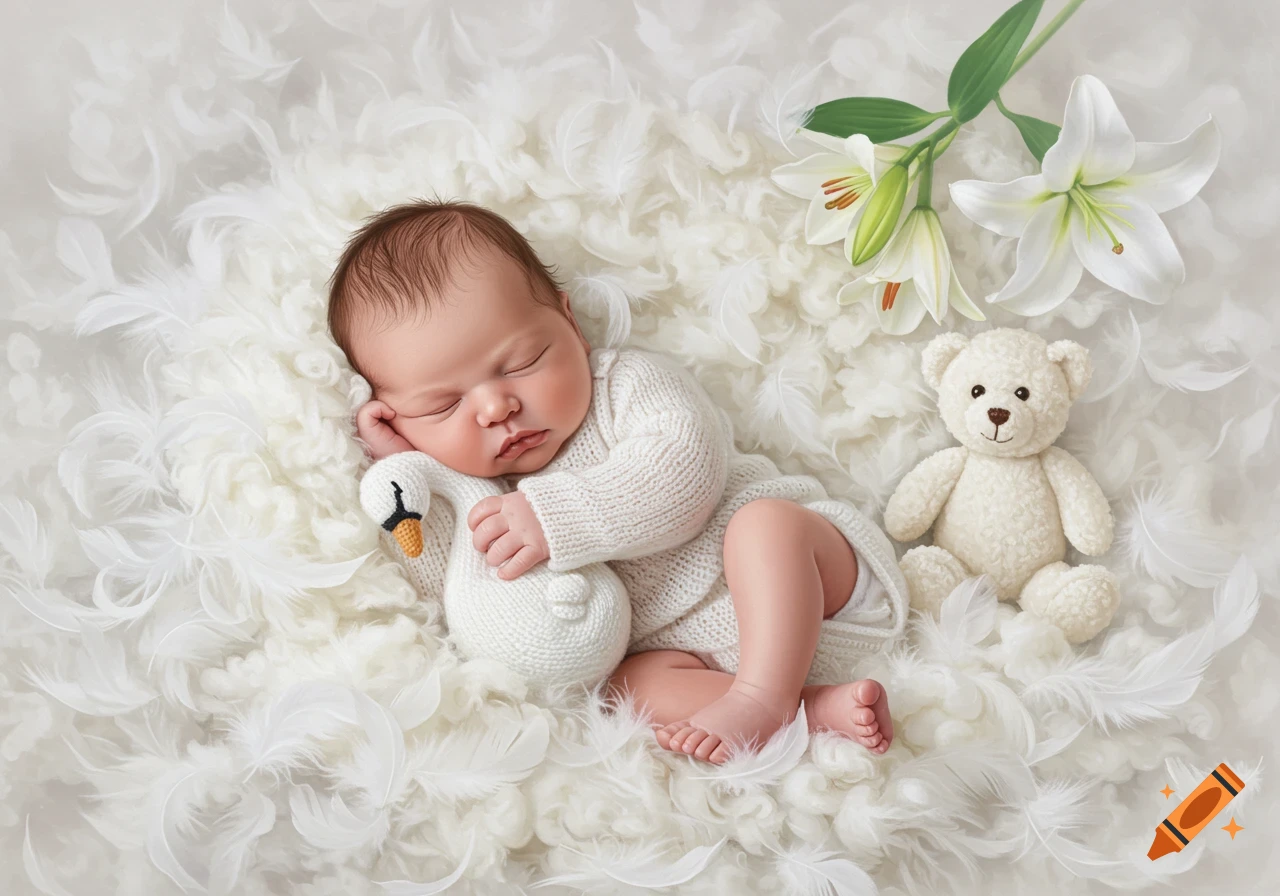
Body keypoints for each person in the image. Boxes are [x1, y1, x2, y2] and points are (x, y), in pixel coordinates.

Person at [327, 198, 909, 764]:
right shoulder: (479, 493)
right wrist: (411, 473)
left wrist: (560, 517)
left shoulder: (624, 387)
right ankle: (810, 710)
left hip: (822, 588)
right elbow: (463, 595)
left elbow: (686, 473)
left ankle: (763, 698)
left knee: (764, 528)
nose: (496, 406)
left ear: (570, 323)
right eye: (443, 406)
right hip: (702, 658)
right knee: (624, 691)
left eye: (520, 363)